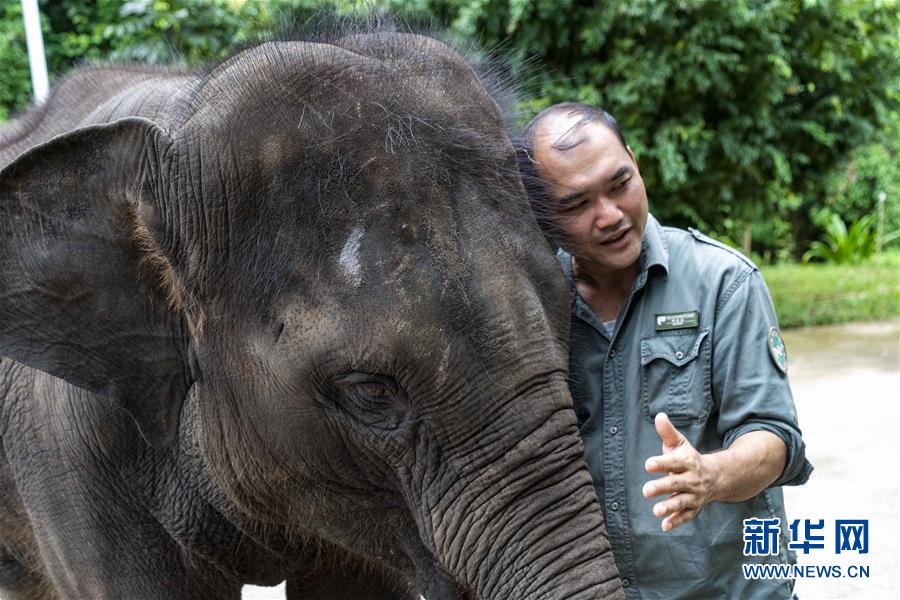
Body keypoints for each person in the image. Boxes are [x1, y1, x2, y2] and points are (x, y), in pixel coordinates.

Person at [518, 102, 812, 598]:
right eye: (576, 205)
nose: (610, 216)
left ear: (635, 162)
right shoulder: (530, 309)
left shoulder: (723, 283)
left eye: (620, 184)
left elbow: (776, 438)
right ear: (541, 214)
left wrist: (710, 475)